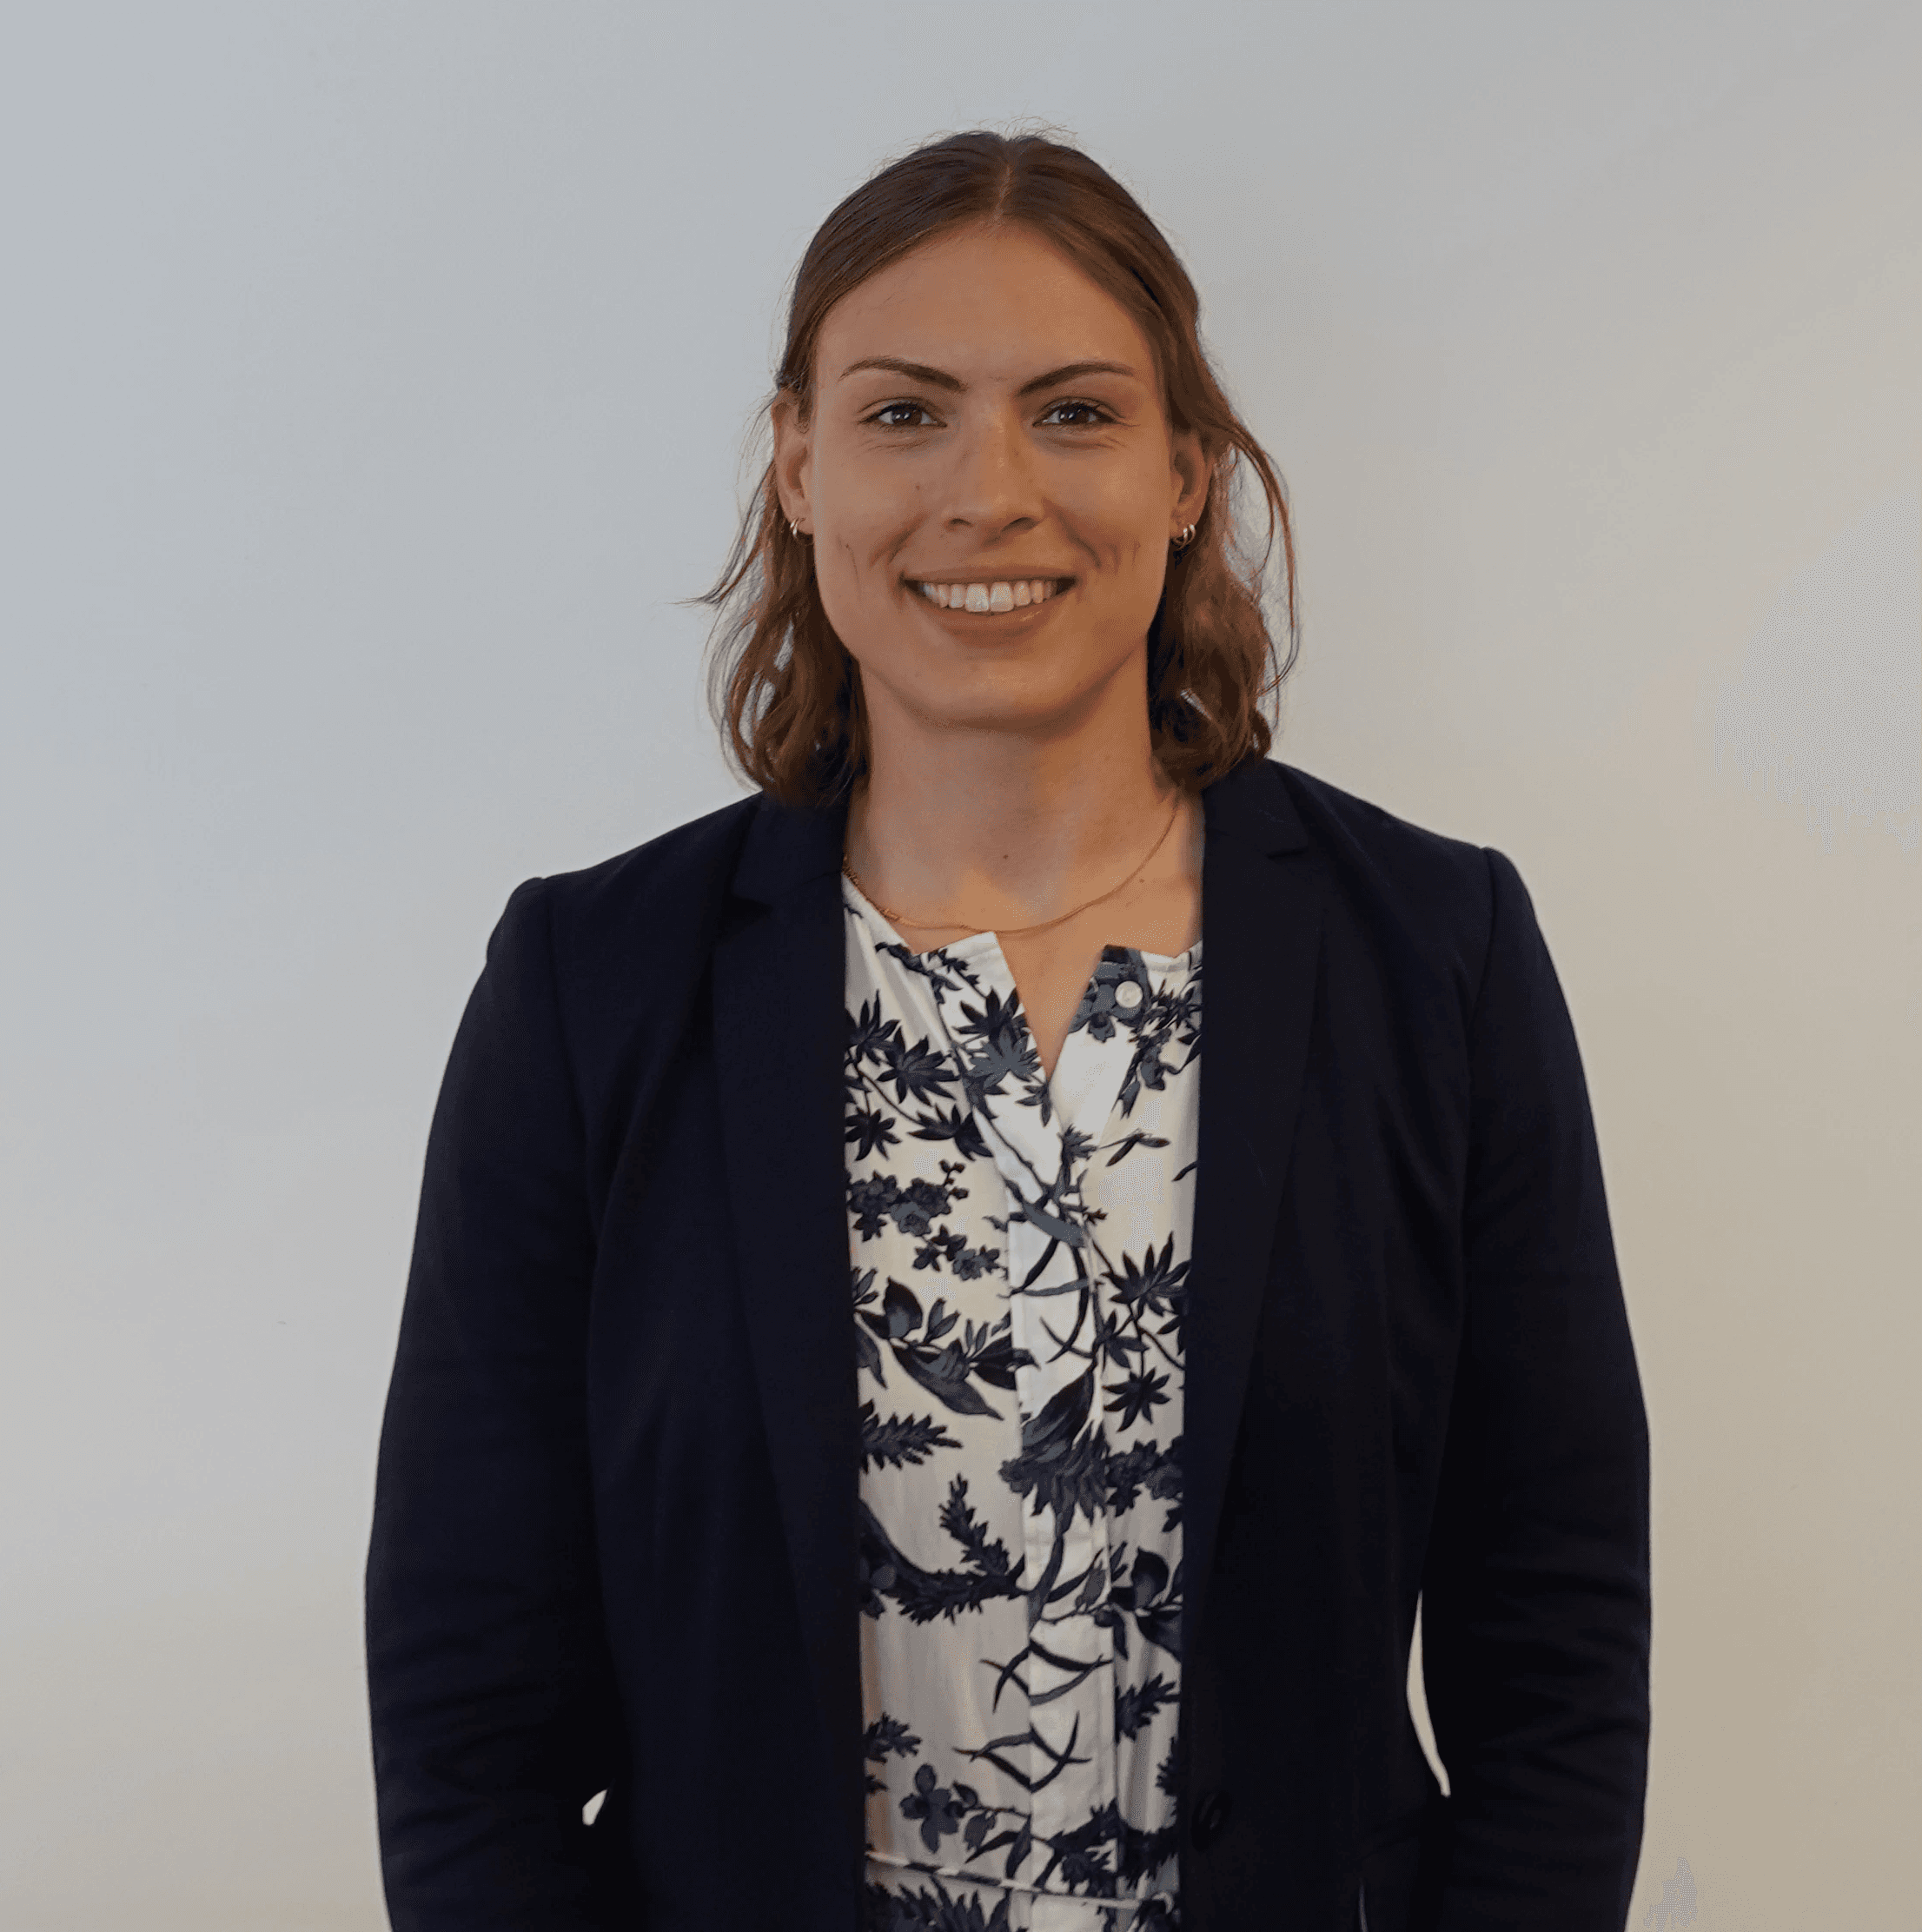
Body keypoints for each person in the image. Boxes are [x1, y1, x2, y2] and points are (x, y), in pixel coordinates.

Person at [364, 131, 1650, 1932]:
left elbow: (1556, 1639)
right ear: (796, 465)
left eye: (1073, 413)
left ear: (1187, 473)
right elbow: (465, 1715)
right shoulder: (590, 987)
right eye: (903, 413)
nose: (989, 491)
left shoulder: (1436, 956)